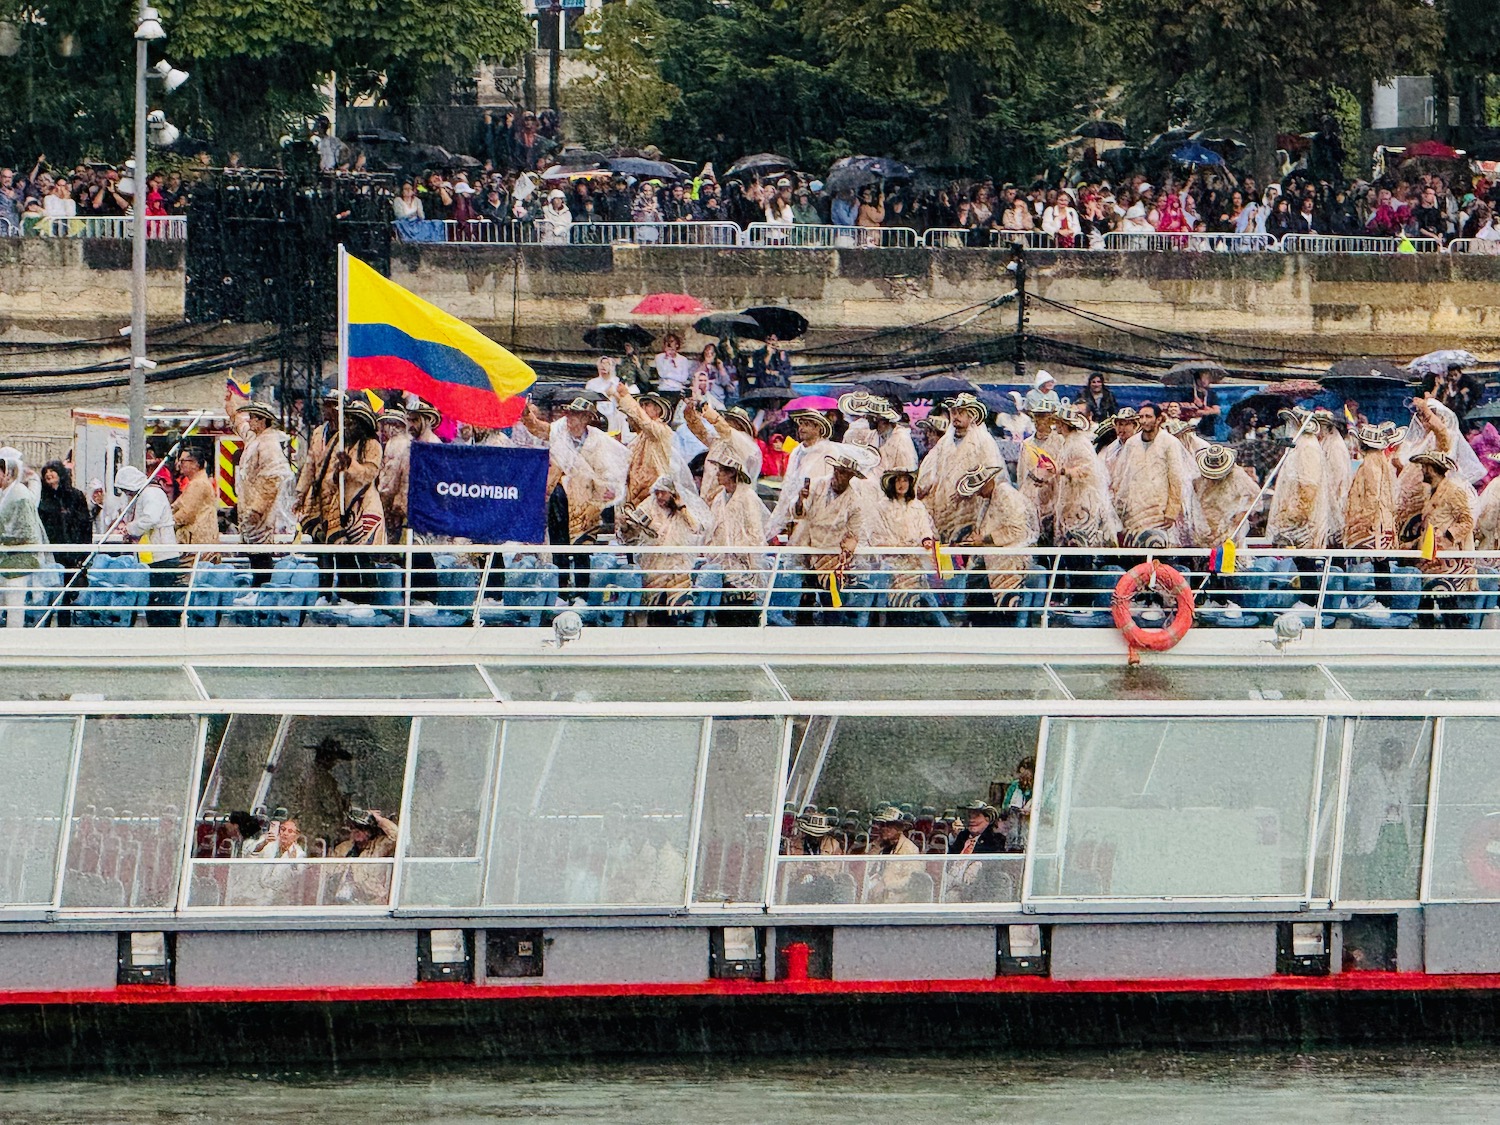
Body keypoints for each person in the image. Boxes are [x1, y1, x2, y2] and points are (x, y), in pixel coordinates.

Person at [953, 465, 1038, 618]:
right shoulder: (991, 498)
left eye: (980, 489)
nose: (978, 494)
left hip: (1012, 557)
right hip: (993, 558)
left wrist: (984, 539)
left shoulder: (1006, 494)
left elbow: (1016, 530)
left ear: (988, 482)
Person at [916, 393, 1002, 542]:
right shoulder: (945, 441)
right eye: (954, 412)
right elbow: (931, 470)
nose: (956, 416)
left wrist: (967, 490)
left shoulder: (983, 441)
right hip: (943, 505)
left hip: (971, 507)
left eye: (961, 412)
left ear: (972, 416)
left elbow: (990, 476)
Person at [1113, 402, 1198, 548]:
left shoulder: (1170, 443)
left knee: (1158, 551)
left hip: (1160, 511)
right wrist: (1120, 508)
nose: (1144, 420)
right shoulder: (1131, 443)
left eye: (1148, 417)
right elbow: (1121, 476)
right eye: (1141, 417)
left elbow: (1176, 479)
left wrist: (1172, 511)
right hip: (1135, 510)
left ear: (1158, 419)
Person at [225, 396, 295, 568]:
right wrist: (231, 407)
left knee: (260, 551)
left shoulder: (269, 443)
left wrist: (258, 508)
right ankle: (258, 588)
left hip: (260, 509)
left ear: (263, 421)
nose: (249, 420)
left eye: (253, 417)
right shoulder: (256, 438)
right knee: (253, 550)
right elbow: (241, 425)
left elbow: (273, 478)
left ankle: (262, 586)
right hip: (250, 505)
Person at [870, 467, 944, 625]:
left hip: (913, 559)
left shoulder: (917, 505)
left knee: (917, 592)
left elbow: (924, 527)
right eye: (898, 480)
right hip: (891, 560)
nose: (901, 484)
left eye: (905, 480)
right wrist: (893, 548)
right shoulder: (882, 506)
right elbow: (876, 533)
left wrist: (926, 539)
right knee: (891, 595)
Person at [1411, 450, 1477, 627]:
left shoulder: (1453, 491)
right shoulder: (1430, 492)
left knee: (1445, 601)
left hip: (1445, 558)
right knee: (1427, 603)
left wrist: (1448, 535)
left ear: (1432, 469)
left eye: (1424, 467)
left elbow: (1467, 521)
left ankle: (1453, 634)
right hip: (1429, 556)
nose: (1422, 471)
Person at [705, 453, 769, 624]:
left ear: (731, 473)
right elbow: (713, 528)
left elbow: (756, 532)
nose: (717, 475)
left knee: (743, 611)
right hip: (723, 563)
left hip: (745, 563)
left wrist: (744, 555)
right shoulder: (719, 498)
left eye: (721, 471)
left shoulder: (748, 497)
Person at [766, 409, 841, 540]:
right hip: (795, 511)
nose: (801, 428)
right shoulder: (796, 451)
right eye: (800, 424)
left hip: (817, 514)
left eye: (806, 424)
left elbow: (831, 486)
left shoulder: (829, 451)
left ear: (818, 428)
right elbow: (789, 482)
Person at [1051, 406, 1120, 549]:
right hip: (1071, 498)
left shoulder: (1078, 443)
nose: (1055, 425)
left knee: (1082, 540)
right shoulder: (1068, 442)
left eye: (1057, 422)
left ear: (1064, 424)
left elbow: (1088, 470)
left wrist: (1064, 471)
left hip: (1083, 500)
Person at [1265, 408, 1329, 554]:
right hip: (1298, 522)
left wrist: (1293, 516)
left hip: (1303, 524)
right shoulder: (1300, 446)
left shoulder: (1308, 448)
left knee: (1305, 562)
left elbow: (1308, 487)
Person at [37, 460, 90, 624]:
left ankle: (64, 626)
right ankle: (44, 625)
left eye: (52, 471)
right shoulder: (42, 499)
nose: (49, 474)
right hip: (52, 552)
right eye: (46, 472)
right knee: (48, 593)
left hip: (72, 553)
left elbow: (85, 525)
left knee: (66, 594)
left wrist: (84, 552)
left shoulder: (75, 496)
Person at [613, 384, 680, 508]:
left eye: (647, 405)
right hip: (635, 492)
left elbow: (644, 422)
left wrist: (626, 398)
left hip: (655, 491)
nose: (643, 408)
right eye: (642, 405)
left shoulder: (661, 430)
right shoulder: (640, 437)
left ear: (658, 409)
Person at [682, 400, 761, 503]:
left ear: (740, 427)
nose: (728, 423)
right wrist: (690, 413)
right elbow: (701, 432)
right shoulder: (718, 443)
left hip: (734, 499)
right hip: (709, 496)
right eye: (727, 421)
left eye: (732, 422)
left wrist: (707, 411)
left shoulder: (748, 446)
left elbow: (724, 429)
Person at [0, 448, 43, 628]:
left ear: (7, 472)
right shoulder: (7, 494)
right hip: (8, 560)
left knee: (15, 604)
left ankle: (14, 640)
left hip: (20, 561)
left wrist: (4, 538)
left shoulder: (19, 494)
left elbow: (26, 531)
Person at [1345, 422, 1402, 554]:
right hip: (1380, 521)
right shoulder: (1378, 458)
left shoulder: (1371, 461)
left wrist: (1363, 521)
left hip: (1372, 525)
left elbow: (1372, 494)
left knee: (1370, 563)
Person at [1194, 444, 1259, 550]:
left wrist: (1242, 514)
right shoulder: (1200, 479)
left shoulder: (1237, 475)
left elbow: (1254, 494)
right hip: (1206, 525)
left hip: (1230, 524)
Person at [330, 808, 399, 905]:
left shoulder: (378, 846)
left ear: (370, 831)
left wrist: (379, 820)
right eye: (354, 828)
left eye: (362, 828)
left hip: (372, 899)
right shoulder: (343, 848)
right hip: (344, 899)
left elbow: (397, 837)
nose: (357, 831)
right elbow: (329, 871)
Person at [864, 806, 921, 903]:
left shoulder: (909, 849)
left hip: (894, 899)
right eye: (882, 824)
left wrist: (886, 884)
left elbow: (911, 879)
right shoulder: (875, 845)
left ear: (899, 829)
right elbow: (864, 867)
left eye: (889, 825)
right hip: (869, 897)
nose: (884, 828)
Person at [375, 405, 412, 540]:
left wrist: (382, 496)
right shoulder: (404, 442)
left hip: (394, 501)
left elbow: (390, 478)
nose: (383, 429)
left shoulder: (396, 444)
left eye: (385, 425)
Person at [171, 446, 218, 547]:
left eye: (183, 461)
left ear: (195, 464)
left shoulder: (198, 484)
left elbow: (186, 513)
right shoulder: (196, 482)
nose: (179, 465)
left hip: (197, 541)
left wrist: (168, 523)